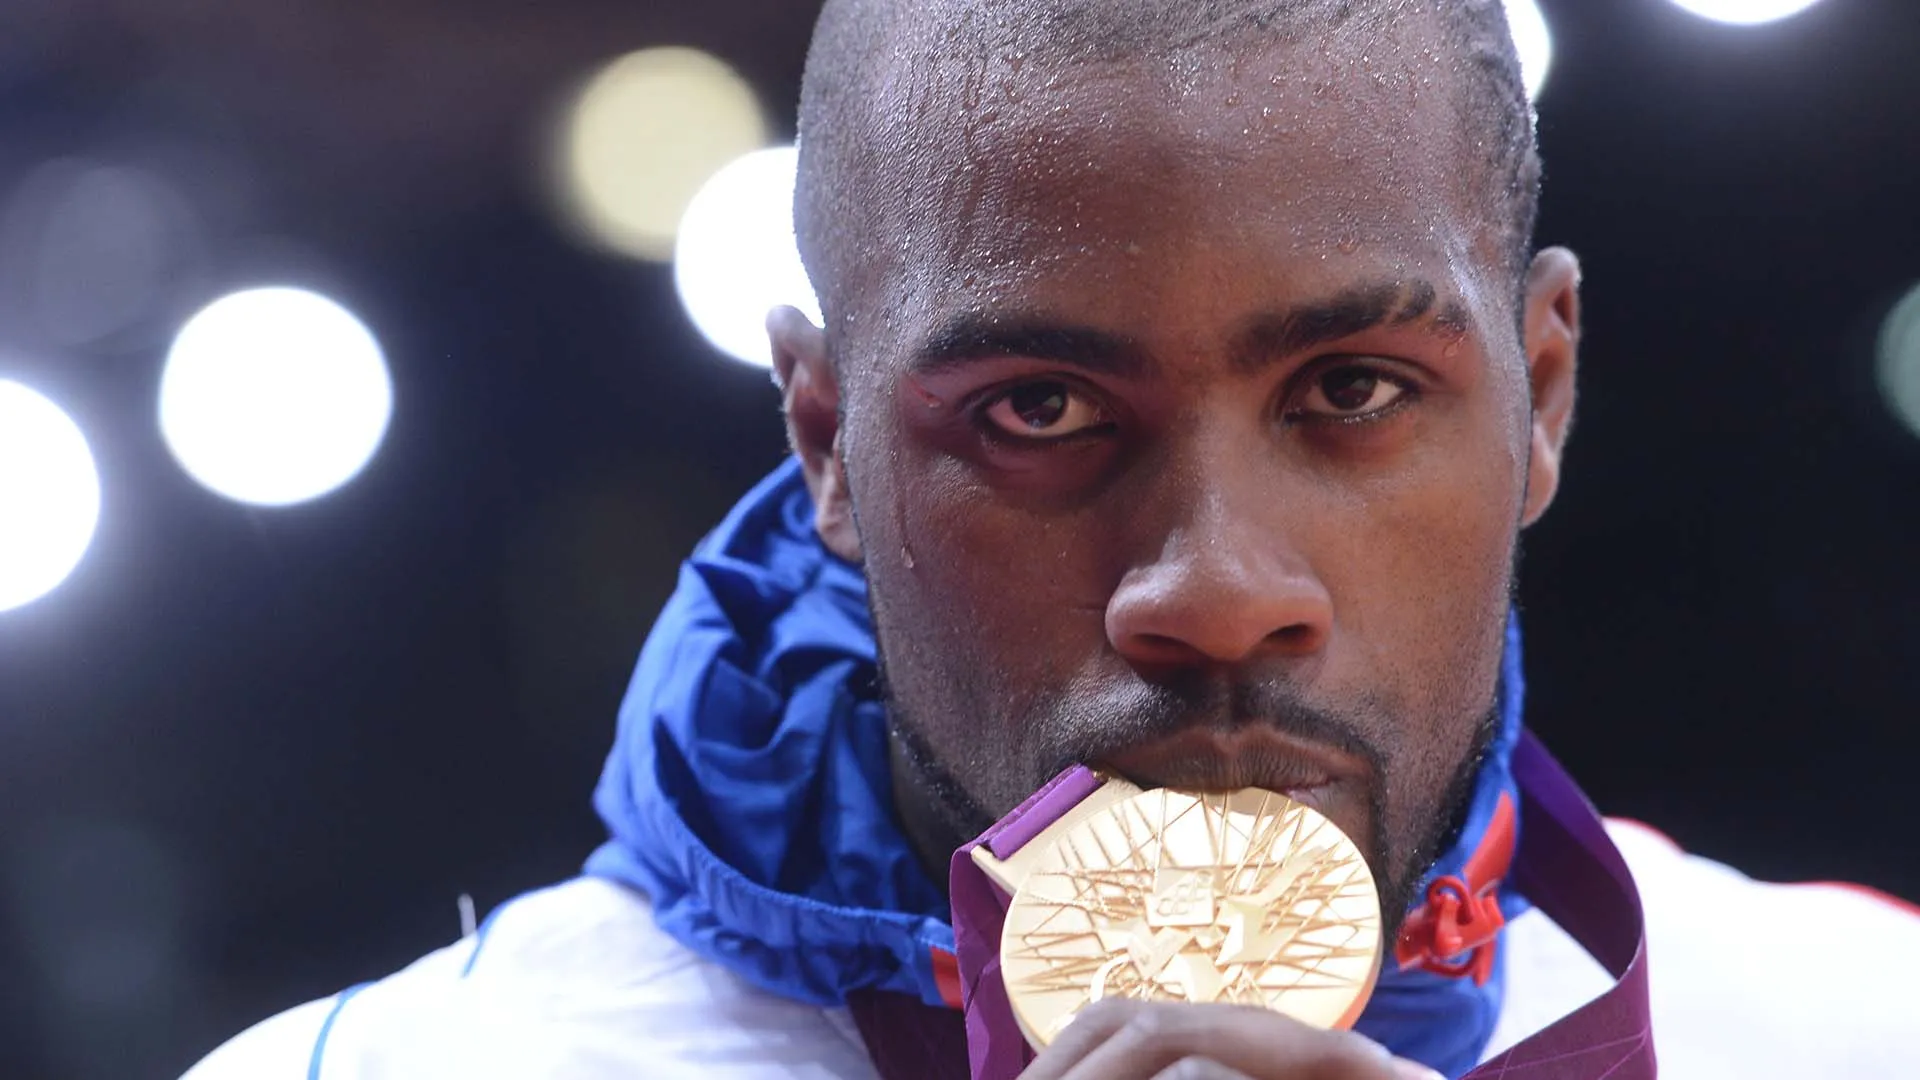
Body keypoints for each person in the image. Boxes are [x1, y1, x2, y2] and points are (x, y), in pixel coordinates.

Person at [185, 0, 1920, 1077]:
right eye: (1039, 412)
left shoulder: (1864, 1029)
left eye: (1354, 388)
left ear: (1539, 395)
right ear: (828, 442)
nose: (1218, 587)